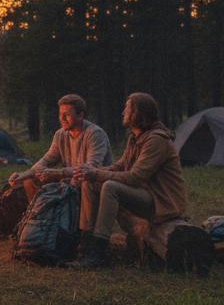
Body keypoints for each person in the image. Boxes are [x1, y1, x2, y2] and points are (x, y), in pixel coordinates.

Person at [71, 92, 187, 269]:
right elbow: (120, 166)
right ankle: (85, 245)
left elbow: (134, 177)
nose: (123, 112)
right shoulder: (135, 137)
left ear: (138, 113)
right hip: (145, 194)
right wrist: (91, 171)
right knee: (90, 182)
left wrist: (96, 173)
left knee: (110, 187)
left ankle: (98, 254)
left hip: (161, 201)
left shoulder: (156, 140)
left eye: (127, 109)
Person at [9, 94, 112, 204]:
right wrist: (24, 174)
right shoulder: (60, 134)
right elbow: (46, 160)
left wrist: (58, 173)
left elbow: (90, 169)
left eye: (66, 115)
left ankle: (68, 217)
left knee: (77, 181)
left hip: (93, 183)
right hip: (71, 180)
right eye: (60, 114)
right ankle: (41, 216)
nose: (62, 119)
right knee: (30, 180)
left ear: (80, 115)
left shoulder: (95, 134)